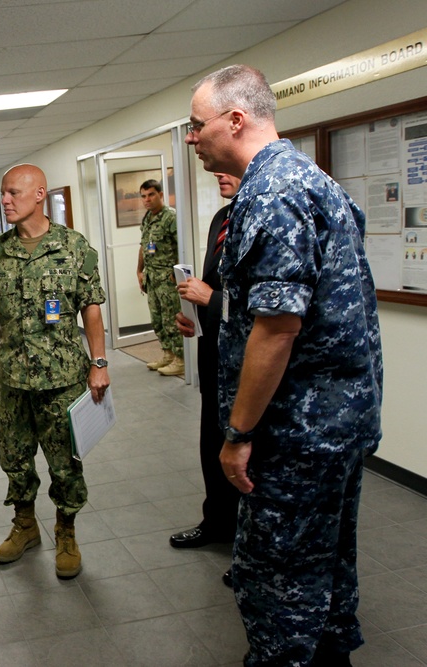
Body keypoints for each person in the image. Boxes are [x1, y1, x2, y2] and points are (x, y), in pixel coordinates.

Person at [186, 64, 383, 666]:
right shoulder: (312, 180)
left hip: (294, 433)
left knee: (277, 584)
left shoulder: (272, 195)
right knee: (327, 567)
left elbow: (275, 329)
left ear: (236, 120)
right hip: (337, 423)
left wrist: (239, 433)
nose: (192, 139)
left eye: (197, 127)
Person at [0, 164, 110, 579]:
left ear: (39, 194)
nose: (5, 201)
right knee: (14, 458)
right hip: (12, 379)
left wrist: (99, 362)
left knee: (65, 462)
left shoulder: (74, 247)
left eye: (13, 193)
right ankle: (25, 525)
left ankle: (66, 531)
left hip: (63, 379)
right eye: (3, 194)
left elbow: (92, 306)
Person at [171, 174, 242, 570]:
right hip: (215, 356)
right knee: (212, 447)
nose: (221, 176)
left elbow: (264, 310)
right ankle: (216, 522)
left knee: (246, 459)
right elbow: (221, 287)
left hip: (248, 368)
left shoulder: (264, 218)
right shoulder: (222, 218)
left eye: (230, 168)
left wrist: (210, 299)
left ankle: (251, 553)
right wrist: (196, 314)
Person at [136, 179, 184, 376]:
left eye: (151, 195)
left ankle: (181, 359)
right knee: (158, 320)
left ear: (161, 195)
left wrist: (178, 274)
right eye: (144, 196)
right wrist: (139, 271)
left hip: (167, 278)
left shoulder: (170, 217)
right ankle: (168, 354)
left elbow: (182, 246)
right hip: (152, 278)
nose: (147, 200)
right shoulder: (147, 218)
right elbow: (143, 246)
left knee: (172, 319)